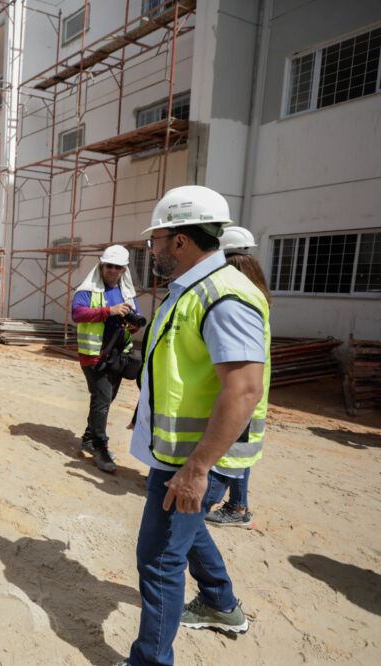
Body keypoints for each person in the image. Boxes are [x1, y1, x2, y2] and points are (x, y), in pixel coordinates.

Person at [115, 186, 271, 666]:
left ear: (179, 241)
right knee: (186, 529)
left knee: (159, 559)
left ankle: (150, 662)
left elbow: (244, 390)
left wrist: (198, 468)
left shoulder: (223, 297)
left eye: (155, 240)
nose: (152, 250)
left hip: (197, 458)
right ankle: (221, 604)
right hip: (178, 453)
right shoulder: (191, 291)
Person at [204, 226, 271, 528]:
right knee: (239, 455)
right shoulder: (255, 292)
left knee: (228, 457)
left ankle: (230, 507)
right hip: (253, 392)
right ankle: (239, 506)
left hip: (239, 393)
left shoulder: (233, 296)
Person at [71, 245, 143, 473]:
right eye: (108, 266)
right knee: (101, 399)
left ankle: (89, 437)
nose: (112, 270)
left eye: (117, 267)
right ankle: (100, 447)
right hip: (94, 356)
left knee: (106, 399)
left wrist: (132, 325)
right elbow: (77, 313)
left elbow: (136, 322)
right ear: (102, 266)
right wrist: (108, 311)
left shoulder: (127, 293)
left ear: (124, 270)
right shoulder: (88, 289)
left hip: (118, 355)